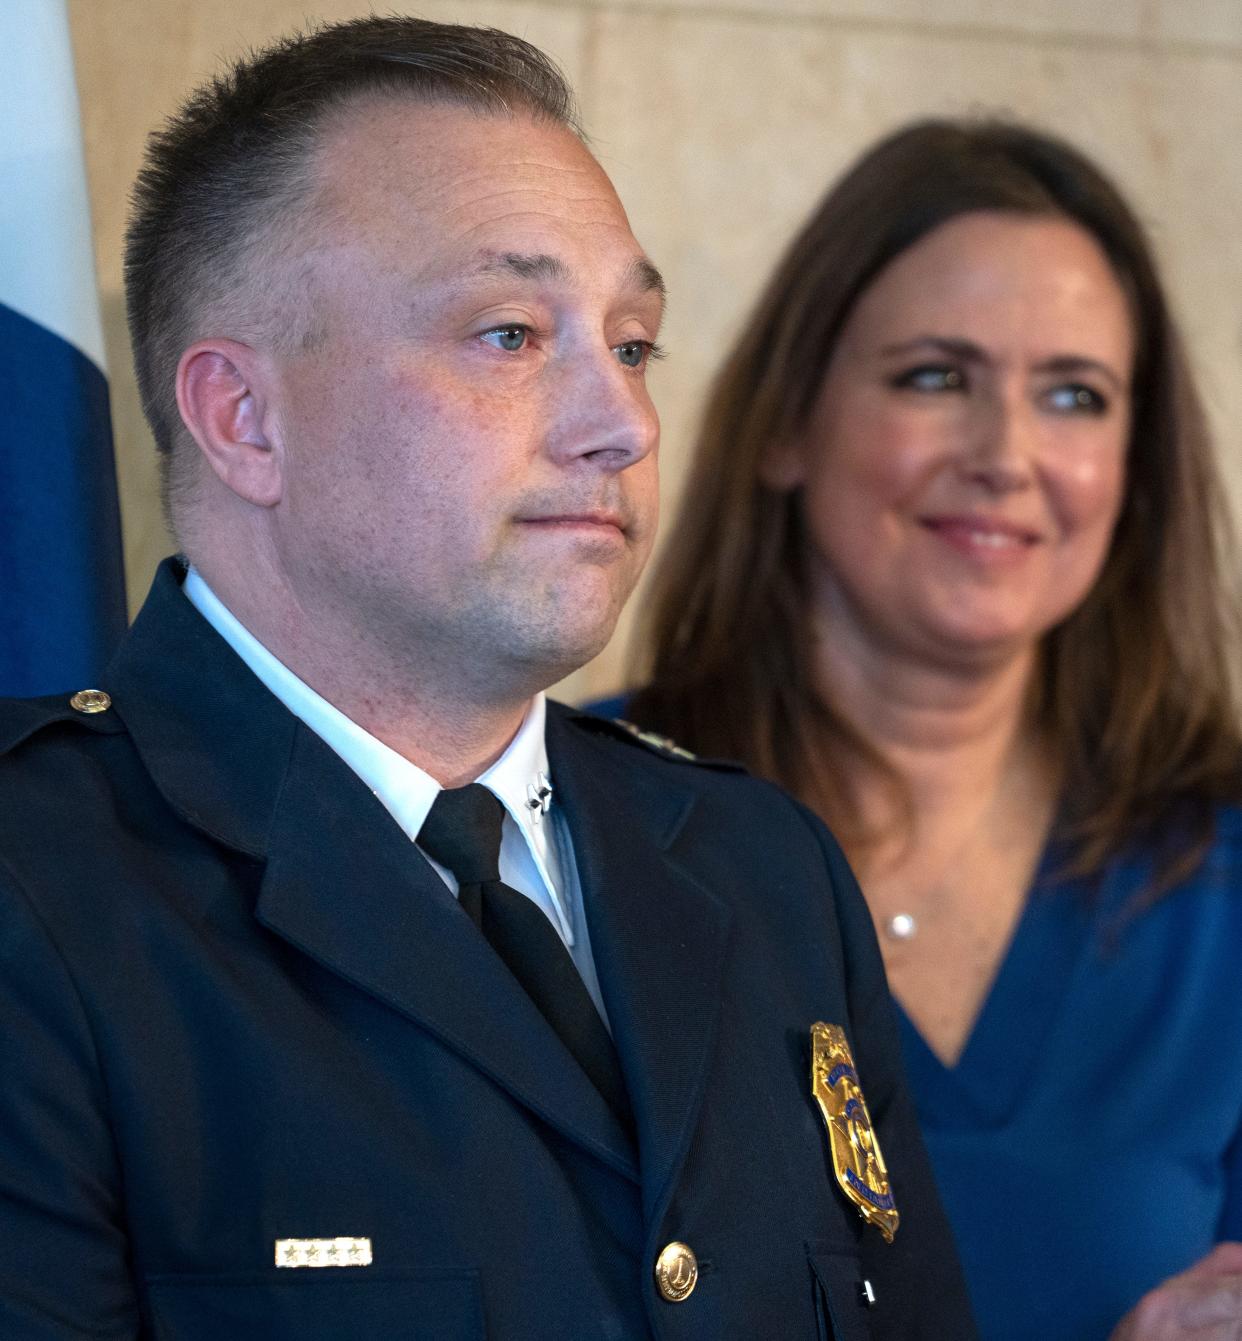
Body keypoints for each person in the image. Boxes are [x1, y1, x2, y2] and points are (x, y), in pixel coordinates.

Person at [0, 19, 976, 1340]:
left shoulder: (761, 867)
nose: (622, 423)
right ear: (245, 418)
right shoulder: (38, 883)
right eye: (510, 334)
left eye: (632, 345)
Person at [613, 119, 1242, 1341]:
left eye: (1074, 396)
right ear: (789, 424)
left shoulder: (1222, 875)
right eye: (935, 377)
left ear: (1135, 466)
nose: (1008, 456)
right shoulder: (563, 829)